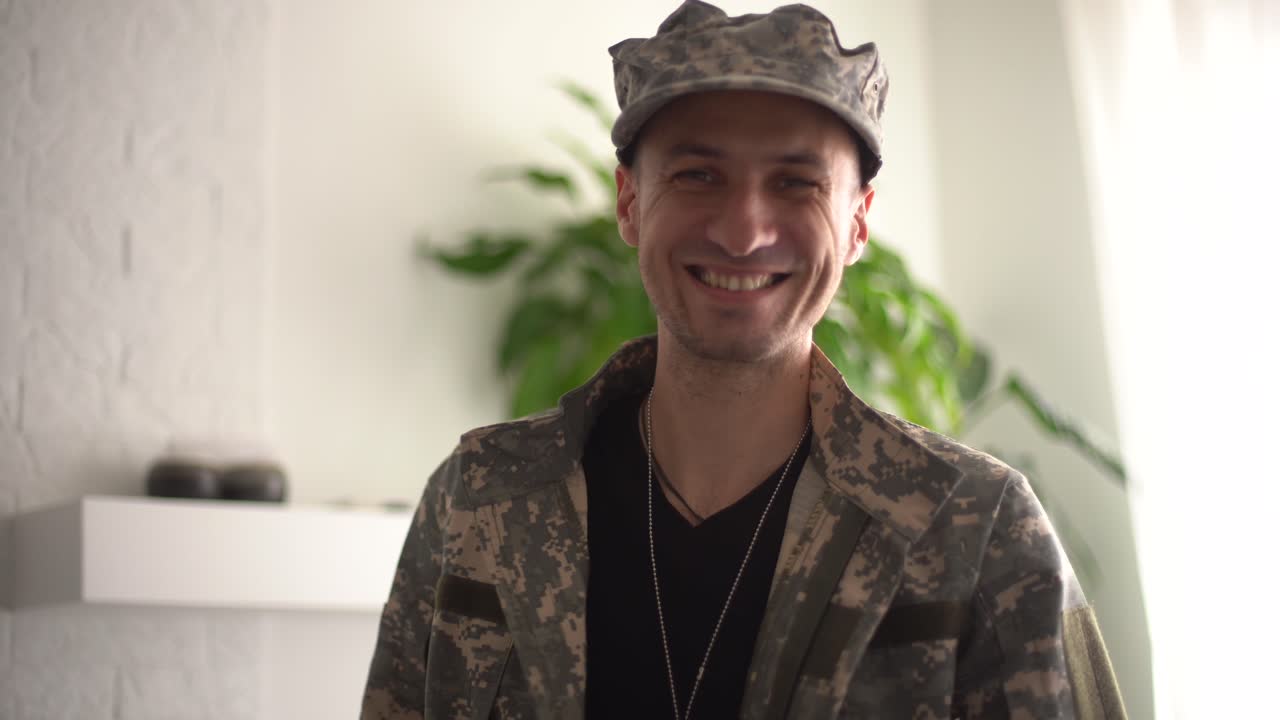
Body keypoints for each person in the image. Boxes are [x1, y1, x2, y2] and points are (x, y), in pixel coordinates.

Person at [362, 2, 1127, 718]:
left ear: (857, 224)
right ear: (630, 203)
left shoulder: (976, 527)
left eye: (796, 183)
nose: (742, 231)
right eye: (699, 175)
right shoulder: (481, 500)